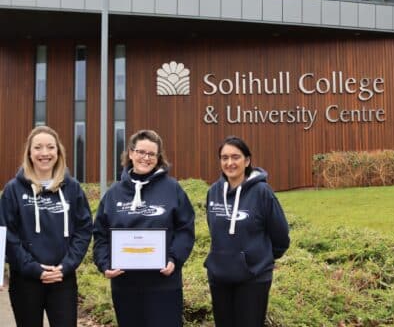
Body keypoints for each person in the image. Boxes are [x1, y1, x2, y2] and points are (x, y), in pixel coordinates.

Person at [93, 129, 195, 327]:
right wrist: (105, 264)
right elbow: (101, 233)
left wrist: (174, 259)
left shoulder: (172, 189)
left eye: (151, 154)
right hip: (125, 286)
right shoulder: (114, 193)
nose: (145, 158)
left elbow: (185, 229)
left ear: (158, 158)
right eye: (141, 152)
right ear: (130, 153)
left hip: (164, 284)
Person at [0, 125, 93, 327]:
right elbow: (8, 234)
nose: (44, 153)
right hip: (25, 279)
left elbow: (84, 229)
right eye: (38, 147)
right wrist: (33, 268)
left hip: (63, 278)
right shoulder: (13, 190)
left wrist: (66, 265)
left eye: (50, 147)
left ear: (58, 152)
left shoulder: (73, 188)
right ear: (29, 153)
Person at [204, 136, 290, 327]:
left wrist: (258, 259)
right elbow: (214, 229)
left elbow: (281, 237)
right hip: (219, 277)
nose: (229, 163)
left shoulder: (262, 192)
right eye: (224, 158)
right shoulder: (213, 192)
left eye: (235, 157)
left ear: (247, 161)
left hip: (253, 278)